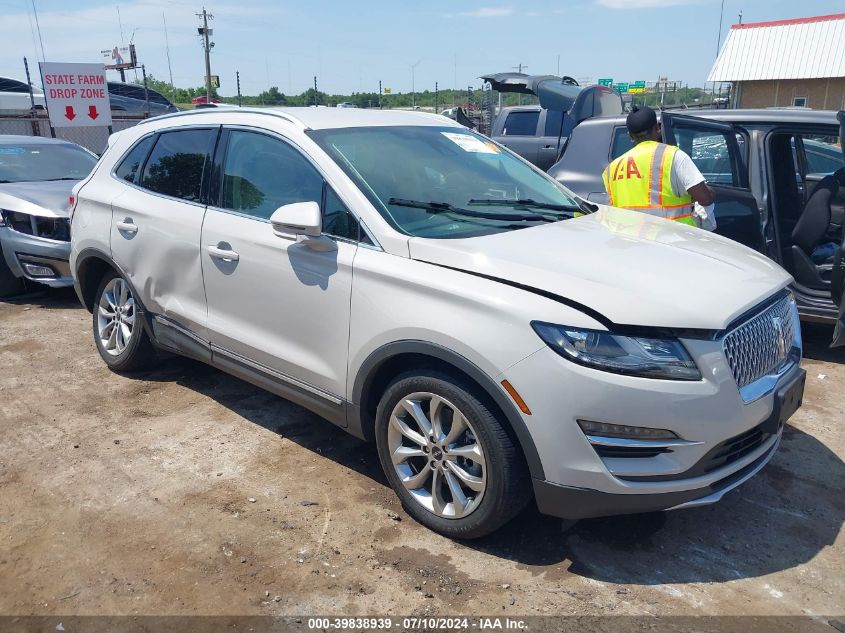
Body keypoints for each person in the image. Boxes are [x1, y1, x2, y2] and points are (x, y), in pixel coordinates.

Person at [602, 106, 716, 230]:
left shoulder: (612, 169)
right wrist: (710, 191)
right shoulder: (673, 156)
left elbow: (611, 211)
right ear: (657, 128)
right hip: (671, 239)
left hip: (630, 241)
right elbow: (705, 198)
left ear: (630, 136)